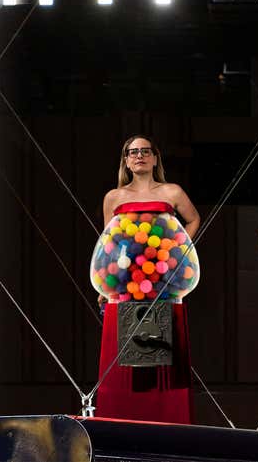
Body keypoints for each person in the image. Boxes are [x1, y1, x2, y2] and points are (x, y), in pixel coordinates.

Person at [94, 135, 200, 424]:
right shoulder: (114, 197)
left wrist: (175, 251)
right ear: (126, 161)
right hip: (126, 285)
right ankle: (121, 428)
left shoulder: (172, 192)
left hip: (162, 286)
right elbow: (109, 242)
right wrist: (106, 286)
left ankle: (169, 427)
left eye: (145, 151)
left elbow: (193, 219)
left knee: (161, 358)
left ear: (155, 158)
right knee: (126, 365)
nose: (139, 156)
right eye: (133, 152)